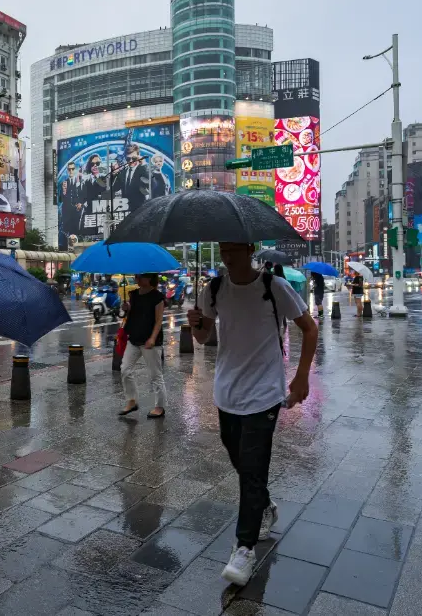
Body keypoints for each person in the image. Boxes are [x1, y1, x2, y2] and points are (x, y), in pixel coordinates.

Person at [187, 242, 318, 587]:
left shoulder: (273, 287)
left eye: (233, 248)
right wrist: (194, 324)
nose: (227, 255)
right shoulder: (212, 288)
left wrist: (302, 375)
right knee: (240, 459)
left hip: (265, 394)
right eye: (222, 249)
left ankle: (244, 548)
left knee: (253, 467)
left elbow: (310, 328)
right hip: (226, 391)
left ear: (249, 249)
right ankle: (264, 504)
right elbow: (202, 338)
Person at [117, 273, 167, 419]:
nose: (137, 279)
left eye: (140, 276)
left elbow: (158, 321)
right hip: (134, 339)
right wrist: (126, 308)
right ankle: (131, 401)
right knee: (125, 370)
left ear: (149, 278)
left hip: (150, 342)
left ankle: (160, 406)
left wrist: (152, 338)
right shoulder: (133, 295)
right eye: (136, 276)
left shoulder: (157, 297)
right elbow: (128, 316)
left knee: (155, 375)